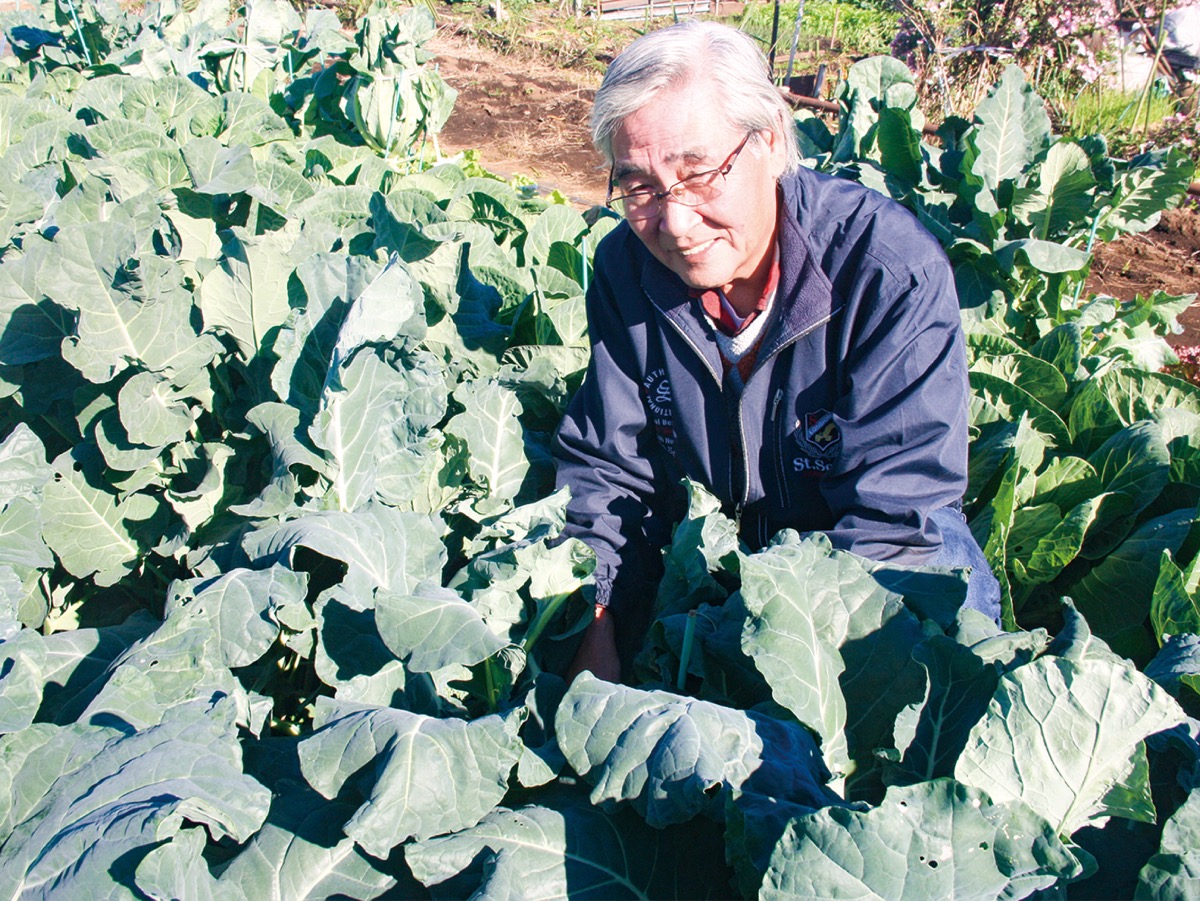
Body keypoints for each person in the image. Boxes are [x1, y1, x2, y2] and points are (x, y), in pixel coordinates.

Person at [553, 20, 1000, 682]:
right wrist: (597, 617)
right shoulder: (626, 269)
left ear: (767, 141)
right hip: (717, 573)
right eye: (640, 187)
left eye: (698, 173)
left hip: (878, 593)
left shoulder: (886, 273)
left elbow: (894, 524)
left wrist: (771, 660)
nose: (674, 222)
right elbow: (610, 470)